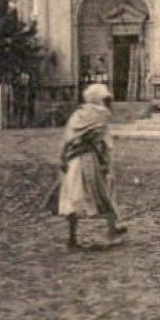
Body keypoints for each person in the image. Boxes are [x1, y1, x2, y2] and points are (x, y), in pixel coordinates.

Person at [48, 83, 128, 249]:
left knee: (72, 198)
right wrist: (105, 161)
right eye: (106, 99)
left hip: (73, 160)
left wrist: (62, 158)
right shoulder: (101, 116)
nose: (108, 102)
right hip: (90, 159)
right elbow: (103, 141)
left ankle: (72, 237)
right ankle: (111, 231)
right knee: (104, 194)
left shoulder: (78, 115)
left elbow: (67, 138)